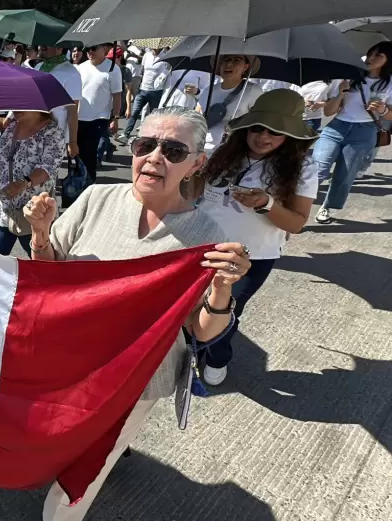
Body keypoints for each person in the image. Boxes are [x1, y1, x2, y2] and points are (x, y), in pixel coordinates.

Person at [24, 106, 250, 521]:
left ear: (197, 163)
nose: (154, 157)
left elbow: (201, 332)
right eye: (145, 145)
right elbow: (49, 276)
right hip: (70, 362)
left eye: (174, 150)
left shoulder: (205, 237)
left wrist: (221, 289)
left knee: (82, 476)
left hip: (135, 379)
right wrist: (40, 235)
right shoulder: (95, 198)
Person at [196, 90, 319, 385]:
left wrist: (266, 203)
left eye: (275, 131)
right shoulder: (223, 153)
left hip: (251, 256)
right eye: (256, 127)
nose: (263, 136)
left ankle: (216, 357)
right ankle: (190, 348)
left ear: (290, 134)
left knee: (224, 309)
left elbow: (297, 224)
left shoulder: (302, 168)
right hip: (200, 245)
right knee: (191, 307)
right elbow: (195, 194)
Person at [313, 41, 392, 223]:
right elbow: (328, 112)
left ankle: (327, 207)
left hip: (364, 132)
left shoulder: (389, 84)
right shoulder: (349, 77)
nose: (371, 58)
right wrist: (340, 94)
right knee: (317, 168)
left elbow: (389, 116)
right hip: (336, 126)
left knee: (345, 174)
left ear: (388, 61)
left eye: (378, 55)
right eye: (371, 53)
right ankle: (297, 204)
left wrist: (382, 110)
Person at [0, 110, 64, 255]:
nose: (15, 109)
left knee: (42, 268)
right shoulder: (10, 128)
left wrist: (24, 183)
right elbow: (0, 165)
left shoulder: (52, 132)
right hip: (3, 211)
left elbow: (47, 168)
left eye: (22, 105)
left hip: (34, 214)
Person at [197, 55, 265, 153]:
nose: (229, 64)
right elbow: (197, 118)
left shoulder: (253, 91)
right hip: (202, 150)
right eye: (226, 59)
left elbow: (259, 124)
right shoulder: (209, 90)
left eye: (236, 60)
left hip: (233, 152)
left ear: (245, 67)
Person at [75, 43, 123, 183]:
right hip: (78, 118)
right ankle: (78, 182)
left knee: (89, 154)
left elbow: (117, 95)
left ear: (104, 49)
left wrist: (115, 117)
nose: (90, 51)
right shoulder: (81, 67)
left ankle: (89, 184)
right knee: (76, 153)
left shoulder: (113, 69)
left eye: (94, 48)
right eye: (87, 49)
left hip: (99, 118)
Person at [34, 45, 82, 166]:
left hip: (54, 135)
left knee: (46, 176)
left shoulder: (71, 73)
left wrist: (72, 142)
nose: (41, 46)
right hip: (31, 130)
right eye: (41, 43)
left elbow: (72, 110)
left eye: (47, 43)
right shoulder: (39, 67)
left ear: (60, 48)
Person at [118, 47, 170, 142]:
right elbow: (142, 70)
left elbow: (167, 73)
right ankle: (125, 134)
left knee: (153, 115)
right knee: (135, 112)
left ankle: (148, 137)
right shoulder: (147, 55)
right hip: (143, 89)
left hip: (156, 91)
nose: (154, 48)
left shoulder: (166, 56)